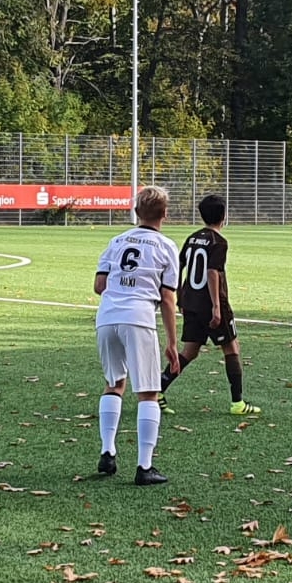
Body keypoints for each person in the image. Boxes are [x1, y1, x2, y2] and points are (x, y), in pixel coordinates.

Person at [93, 186, 180, 486]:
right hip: (139, 318)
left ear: (135, 212)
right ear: (165, 214)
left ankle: (107, 451)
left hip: (107, 317)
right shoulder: (166, 246)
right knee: (148, 392)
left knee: (114, 384)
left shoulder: (117, 241)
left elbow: (99, 285)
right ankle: (145, 466)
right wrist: (172, 342)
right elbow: (167, 297)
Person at [158, 194, 261, 416]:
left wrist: (180, 296)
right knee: (231, 348)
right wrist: (216, 307)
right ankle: (238, 403)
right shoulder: (219, 242)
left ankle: (158, 389)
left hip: (191, 303)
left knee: (190, 351)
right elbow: (212, 272)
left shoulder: (192, 238)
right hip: (211, 303)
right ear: (223, 216)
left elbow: (178, 266)